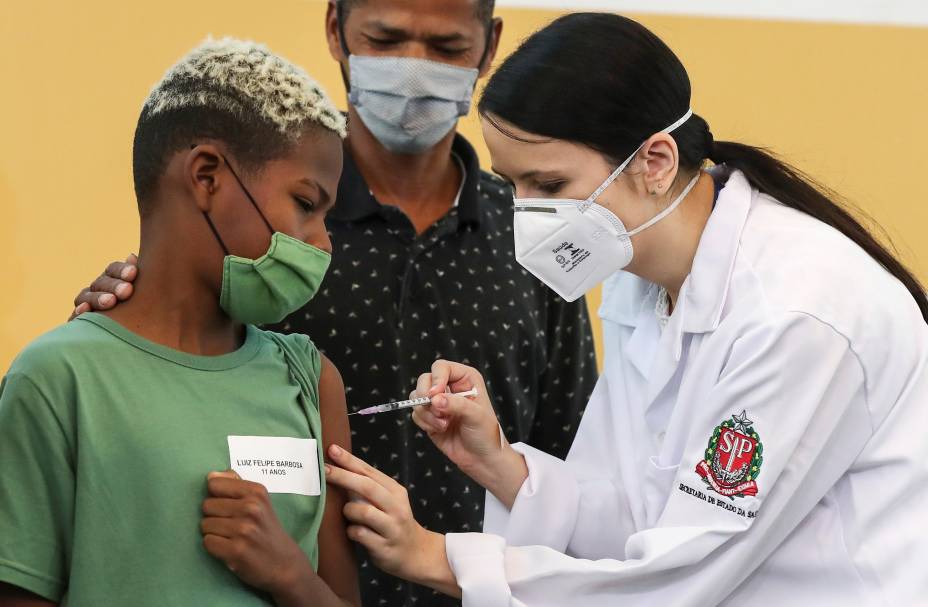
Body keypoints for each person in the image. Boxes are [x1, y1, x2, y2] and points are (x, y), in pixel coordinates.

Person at [315, 12, 928, 605]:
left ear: (655, 163)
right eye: (514, 183)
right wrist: (501, 464)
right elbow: (635, 517)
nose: (522, 211)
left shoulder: (797, 313)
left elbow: (673, 576)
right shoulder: (639, 277)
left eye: (549, 186)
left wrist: (435, 556)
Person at [70, 2, 598, 605]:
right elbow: (167, 378)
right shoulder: (265, 224)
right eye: (386, 39)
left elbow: (573, 459)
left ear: (490, 44)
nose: (413, 71)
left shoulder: (533, 229)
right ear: (334, 30)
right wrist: (120, 322)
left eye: (446, 48)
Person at [0, 39, 360, 607]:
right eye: (305, 203)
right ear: (207, 176)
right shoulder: (56, 378)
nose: (322, 241)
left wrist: (290, 576)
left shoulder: (311, 382)